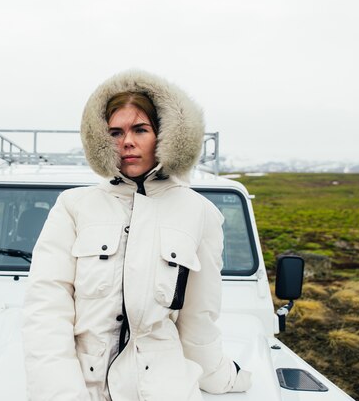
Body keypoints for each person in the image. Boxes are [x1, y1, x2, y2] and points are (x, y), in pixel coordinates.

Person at [22, 70, 251, 400]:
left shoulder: (199, 213)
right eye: (115, 131)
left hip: (164, 387)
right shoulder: (74, 206)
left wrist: (221, 375)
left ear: (165, 135)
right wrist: (61, 393)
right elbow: (46, 308)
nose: (126, 141)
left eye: (140, 129)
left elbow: (198, 319)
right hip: (84, 384)